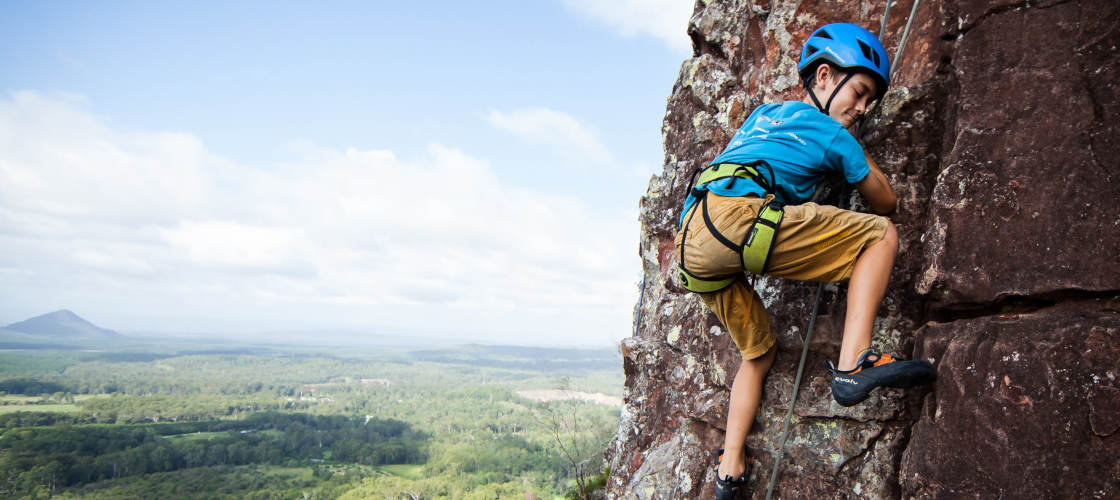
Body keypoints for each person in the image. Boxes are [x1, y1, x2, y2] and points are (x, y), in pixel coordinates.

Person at [672, 23, 936, 499]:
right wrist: (857, 149)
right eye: (857, 92)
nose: (860, 109)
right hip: (736, 222)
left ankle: (729, 468)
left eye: (869, 102)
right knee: (879, 235)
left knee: (758, 352)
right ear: (822, 75)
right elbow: (884, 200)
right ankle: (855, 361)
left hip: (695, 240)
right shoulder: (830, 131)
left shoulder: (763, 115)